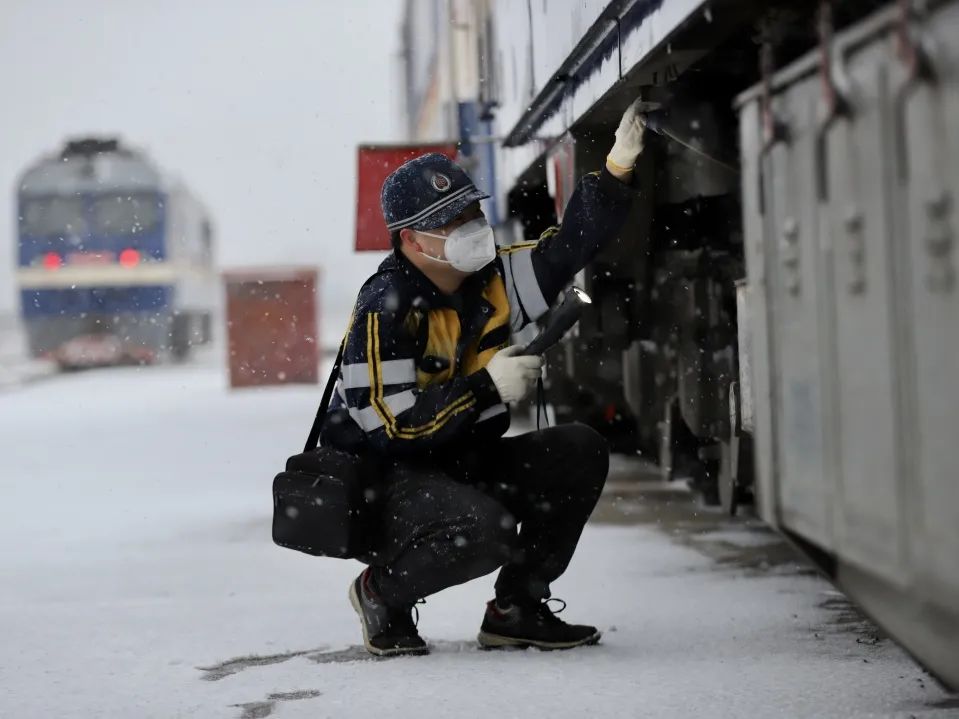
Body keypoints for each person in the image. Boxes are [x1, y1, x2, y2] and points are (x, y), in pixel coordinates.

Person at [323, 99, 648, 656]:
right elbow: (390, 430)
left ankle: (516, 608)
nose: (470, 228)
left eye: (471, 213)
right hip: (391, 482)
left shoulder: (491, 279)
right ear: (411, 240)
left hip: (461, 461)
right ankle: (382, 593)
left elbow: (568, 248)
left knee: (578, 450)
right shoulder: (385, 309)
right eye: (451, 222)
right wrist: (487, 388)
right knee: (485, 529)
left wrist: (617, 167)